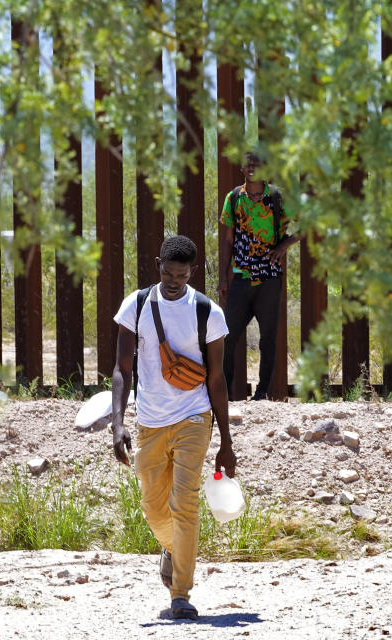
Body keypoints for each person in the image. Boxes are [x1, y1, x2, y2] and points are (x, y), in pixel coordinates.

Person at [110, 235, 237, 621]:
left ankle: (180, 594)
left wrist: (226, 442)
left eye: (181, 275)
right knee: (152, 507)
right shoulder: (136, 305)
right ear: (156, 265)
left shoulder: (208, 313)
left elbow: (216, 380)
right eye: (167, 272)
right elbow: (122, 370)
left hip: (194, 416)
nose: (173, 281)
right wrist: (117, 424)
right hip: (149, 420)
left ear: (192, 273)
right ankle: (172, 549)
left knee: (185, 503)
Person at [217, 151, 299, 401]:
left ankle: (262, 393)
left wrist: (284, 246)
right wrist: (223, 276)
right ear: (241, 167)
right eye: (248, 163)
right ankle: (226, 395)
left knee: (268, 338)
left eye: (258, 163)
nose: (252, 167)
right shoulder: (233, 198)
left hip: (270, 277)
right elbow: (228, 240)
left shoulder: (278, 197)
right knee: (227, 337)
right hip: (241, 276)